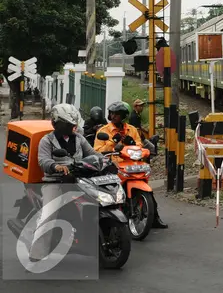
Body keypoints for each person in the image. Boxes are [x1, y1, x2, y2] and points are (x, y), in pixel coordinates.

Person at [34, 104, 102, 260]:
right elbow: (43, 160)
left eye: (73, 124)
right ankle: (37, 255)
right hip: (55, 182)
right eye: (69, 124)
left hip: (81, 180)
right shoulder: (47, 141)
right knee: (48, 215)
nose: (73, 127)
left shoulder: (79, 138)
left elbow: (92, 153)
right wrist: (55, 166)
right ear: (57, 123)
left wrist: (105, 160)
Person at [96, 101, 168, 229]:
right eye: (112, 114)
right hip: (113, 165)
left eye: (117, 114)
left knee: (148, 190)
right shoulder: (104, 131)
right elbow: (97, 150)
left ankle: (154, 217)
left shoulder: (132, 129)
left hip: (131, 164)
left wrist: (132, 143)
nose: (113, 117)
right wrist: (112, 145)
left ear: (123, 116)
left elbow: (139, 145)